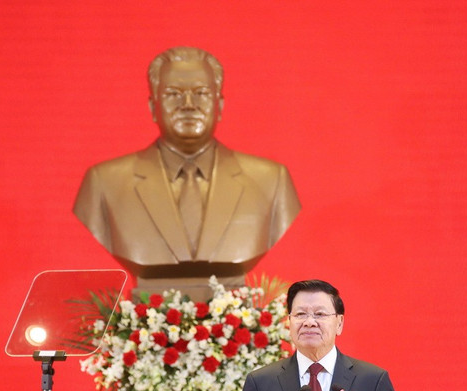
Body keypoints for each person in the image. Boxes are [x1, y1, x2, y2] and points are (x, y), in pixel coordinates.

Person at [73, 47, 300, 297]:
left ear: (220, 105)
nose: (188, 105)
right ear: (152, 106)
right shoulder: (105, 182)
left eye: (201, 93)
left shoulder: (270, 181)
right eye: (173, 94)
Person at [237, 279, 398, 391]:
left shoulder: (372, 381)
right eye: (300, 314)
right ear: (289, 321)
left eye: (320, 314)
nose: (309, 322)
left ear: (339, 323)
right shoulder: (260, 383)